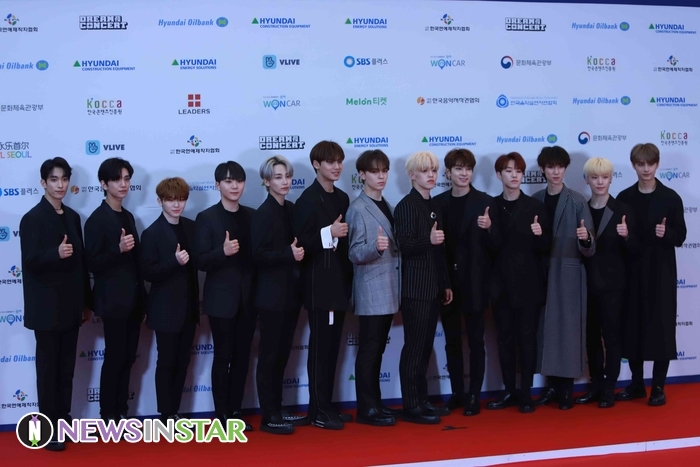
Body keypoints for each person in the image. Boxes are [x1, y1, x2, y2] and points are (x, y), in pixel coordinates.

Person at [20, 157, 92, 451]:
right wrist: (55, 253)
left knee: (66, 369)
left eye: (64, 179)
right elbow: (29, 262)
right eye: (54, 179)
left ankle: (63, 420)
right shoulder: (33, 218)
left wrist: (85, 303)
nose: (60, 185)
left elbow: (81, 264)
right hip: (46, 310)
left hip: (71, 307)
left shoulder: (73, 217)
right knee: (48, 371)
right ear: (43, 183)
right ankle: (48, 429)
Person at [616, 143, 686, 406]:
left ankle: (658, 387)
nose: (646, 169)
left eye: (650, 163)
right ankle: (636, 384)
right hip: (632, 272)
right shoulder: (624, 197)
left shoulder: (671, 197)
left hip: (661, 273)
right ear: (634, 165)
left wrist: (667, 233)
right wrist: (624, 236)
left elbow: (681, 236)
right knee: (632, 326)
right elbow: (617, 240)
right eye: (641, 164)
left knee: (661, 329)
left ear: (657, 164)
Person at [293, 141, 353, 430]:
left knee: (332, 349)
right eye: (330, 162)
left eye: (339, 161)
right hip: (318, 284)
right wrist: (328, 232)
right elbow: (301, 243)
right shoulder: (307, 199)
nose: (336, 166)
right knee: (320, 350)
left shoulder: (342, 197)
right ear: (316, 164)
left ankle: (327, 405)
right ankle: (317, 410)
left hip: (339, 282)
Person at [434, 148, 497, 416]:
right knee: (452, 342)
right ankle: (457, 393)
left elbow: (498, 248)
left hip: (475, 283)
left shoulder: (486, 202)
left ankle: (474, 396)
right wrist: (443, 282)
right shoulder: (437, 203)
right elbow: (436, 250)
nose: (464, 173)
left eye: (468, 168)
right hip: (448, 284)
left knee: (476, 342)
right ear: (448, 173)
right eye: (458, 169)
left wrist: (490, 229)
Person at [532, 146, 595, 410]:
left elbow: (590, 247)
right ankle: (551, 387)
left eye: (560, 166)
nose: (556, 172)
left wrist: (586, 238)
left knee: (568, 330)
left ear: (566, 168)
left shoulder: (577, 200)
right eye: (551, 167)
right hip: (541, 272)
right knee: (546, 330)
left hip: (569, 273)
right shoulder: (535, 199)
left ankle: (566, 389)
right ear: (543, 169)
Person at [486, 152, 550, 414]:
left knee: (527, 339)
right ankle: (509, 390)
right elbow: (490, 250)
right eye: (509, 171)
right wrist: (488, 229)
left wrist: (540, 234)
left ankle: (526, 393)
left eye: (518, 171)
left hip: (528, 285)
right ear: (498, 175)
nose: (514, 176)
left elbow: (547, 248)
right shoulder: (490, 206)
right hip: (500, 286)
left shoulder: (535, 207)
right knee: (503, 339)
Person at [195, 161, 256, 430]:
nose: (234, 186)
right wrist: (223, 252)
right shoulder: (207, 218)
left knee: (243, 357)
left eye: (239, 181)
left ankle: (236, 410)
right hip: (221, 301)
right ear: (217, 185)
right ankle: (221, 414)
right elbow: (200, 260)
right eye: (229, 181)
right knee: (223, 357)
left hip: (249, 299)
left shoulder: (253, 216)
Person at [85, 157, 146, 422]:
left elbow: (136, 263)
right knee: (115, 357)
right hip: (112, 302)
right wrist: (117, 250)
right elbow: (92, 264)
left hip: (133, 301)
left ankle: (122, 410)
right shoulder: (96, 219)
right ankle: (107, 413)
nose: (123, 184)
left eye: (127, 179)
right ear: (103, 184)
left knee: (128, 357)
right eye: (117, 179)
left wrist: (142, 300)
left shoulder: (128, 216)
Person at [575, 158, 639, 409]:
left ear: (611, 179)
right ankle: (596, 384)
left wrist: (627, 236)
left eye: (604, 177)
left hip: (613, 286)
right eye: (595, 177)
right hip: (584, 284)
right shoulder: (581, 209)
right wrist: (583, 240)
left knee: (611, 337)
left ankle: (609, 388)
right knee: (590, 338)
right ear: (587, 180)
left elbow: (635, 251)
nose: (600, 182)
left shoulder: (623, 209)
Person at [394, 150, 453, 424]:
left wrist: (445, 283)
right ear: (411, 175)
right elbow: (404, 245)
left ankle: (422, 400)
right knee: (415, 348)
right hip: (415, 289)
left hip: (433, 287)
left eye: (434, 170)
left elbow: (440, 250)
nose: (431, 175)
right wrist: (428, 240)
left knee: (425, 347)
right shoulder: (406, 205)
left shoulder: (434, 204)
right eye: (425, 171)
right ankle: (411, 405)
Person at [251, 156, 308, 434]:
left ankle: (279, 408)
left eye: (287, 176)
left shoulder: (291, 209)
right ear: (266, 181)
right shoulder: (263, 213)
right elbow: (257, 255)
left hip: (291, 294)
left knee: (283, 354)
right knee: (270, 356)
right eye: (278, 177)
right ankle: (269, 415)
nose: (285, 181)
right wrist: (288, 254)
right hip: (270, 296)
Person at [346, 149, 401, 427]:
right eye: (374, 171)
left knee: (377, 349)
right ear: (362, 175)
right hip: (370, 290)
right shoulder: (357, 208)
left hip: (388, 288)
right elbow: (353, 252)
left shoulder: (387, 205)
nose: (381, 176)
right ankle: (366, 408)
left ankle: (375, 403)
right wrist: (375, 248)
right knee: (369, 350)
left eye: (384, 171)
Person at [140, 177, 199, 422]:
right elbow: (148, 272)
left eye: (181, 199)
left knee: (183, 362)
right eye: (171, 200)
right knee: (166, 362)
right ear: (160, 201)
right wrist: (174, 262)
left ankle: (175, 411)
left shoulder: (191, 227)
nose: (177, 205)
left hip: (189, 308)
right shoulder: (152, 233)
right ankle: (166, 413)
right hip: (165, 309)